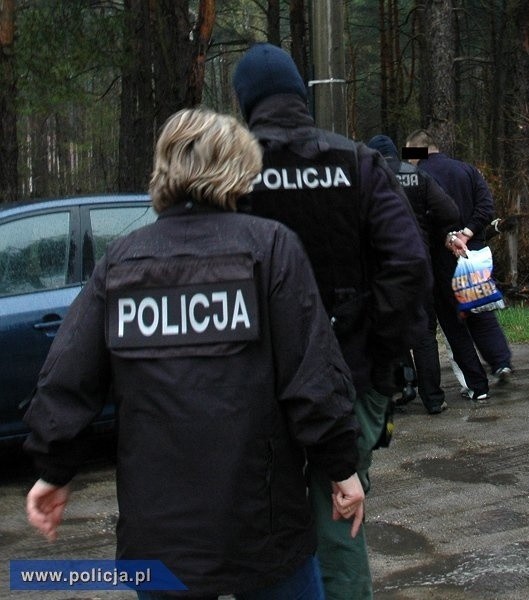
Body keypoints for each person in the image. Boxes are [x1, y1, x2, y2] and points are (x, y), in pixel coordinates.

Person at [24, 107, 365, 599]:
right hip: (263, 523)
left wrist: (53, 473)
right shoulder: (270, 248)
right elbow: (313, 376)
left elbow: (67, 379)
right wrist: (342, 466)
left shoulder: (122, 261)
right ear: (239, 168)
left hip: (159, 531)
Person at [233, 44, 430, 599]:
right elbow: (409, 263)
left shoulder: (233, 174)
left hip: (258, 386)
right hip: (349, 378)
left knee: (265, 528)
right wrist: (375, 351)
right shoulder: (357, 162)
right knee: (341, 518)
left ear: (246, 105)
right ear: (299, 94)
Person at [405, 129, 514, 402]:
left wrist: (449, 236)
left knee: (454, 326)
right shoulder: (467, 170)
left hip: (441, 259)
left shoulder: (419, 178)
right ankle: (501, 361)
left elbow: (425, 218)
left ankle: (478, 385)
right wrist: (468, 232)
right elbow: (486, 206)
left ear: (418, 151)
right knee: (480, 310)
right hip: (473, 254)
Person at [366, 134, 467, 415]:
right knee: (423, 333)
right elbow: (450, 211)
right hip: (416, 262)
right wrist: (428, 225)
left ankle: (401, 388)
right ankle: (433, 398)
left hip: (380, 268)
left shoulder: (366, 178)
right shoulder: (417, 176)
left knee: (387, 331)